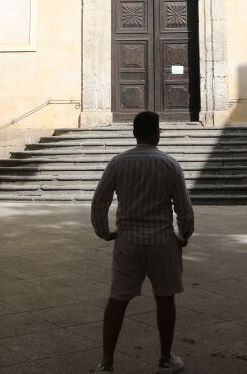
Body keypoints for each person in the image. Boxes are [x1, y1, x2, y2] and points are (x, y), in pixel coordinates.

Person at [91, 110, 194, 374]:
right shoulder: (170, 164)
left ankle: (106, 362)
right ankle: (165, 359)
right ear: (157, 133)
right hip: (162, 242)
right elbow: (184, 209)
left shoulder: (118, 163)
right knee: (165, 298)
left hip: (128, 242)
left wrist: (104, 231)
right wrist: (184, 234)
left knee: (117, 300)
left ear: (134, 133)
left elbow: (99, 202)